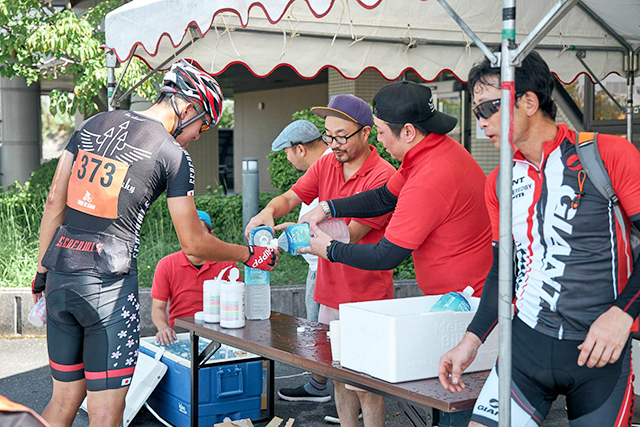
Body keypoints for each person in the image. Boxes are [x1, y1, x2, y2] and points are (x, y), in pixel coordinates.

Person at [31, 59, 277, 427]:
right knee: (104, 416)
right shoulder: (172, 155)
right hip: (108, 289)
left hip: (61, 276)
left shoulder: (92, 124)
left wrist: (41, 274)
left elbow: (55, 201)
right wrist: (249, 255)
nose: (198, 135)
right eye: (203, 125)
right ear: (188, 106)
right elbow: (193, 244)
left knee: (63, 401)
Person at [438, 51, 640, 426]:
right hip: (526, 347)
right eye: (476, 110)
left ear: (528, 101)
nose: (480, 121)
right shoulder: (499, 181)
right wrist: (472, 340)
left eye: (489, 108)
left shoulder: (607, 154)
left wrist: (621, 315)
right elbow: (504, 269)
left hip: (599, 352)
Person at [245, 94, 396, 427]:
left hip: (366, 296)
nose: (333, 144)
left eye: (341, 136)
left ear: (366, 134)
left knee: (367, 386)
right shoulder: (327, 163)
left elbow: (350, 234)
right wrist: (268, 212)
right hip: (329, 291)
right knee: (338, 375)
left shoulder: (383, 177)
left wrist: (295, 237)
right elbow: (292, 195)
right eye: (329, 135)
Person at [300, 81, 492, 300]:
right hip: (460, 293)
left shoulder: (430, 178)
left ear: (408, 131)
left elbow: (385, 255)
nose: (379, 140)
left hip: (467, 299)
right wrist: (328, 208)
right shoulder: (434, 150)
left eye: (381, 132)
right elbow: (383, 197)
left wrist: (330, 249)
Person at [151, 210, 237, 346]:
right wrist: (163, 328)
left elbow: (238, 304)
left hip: (220, 330)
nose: (193, 237)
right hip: (180, 332)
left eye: (200, 231)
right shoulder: (166, 264)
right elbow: (158, 308)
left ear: (211, 236)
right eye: (188, 231)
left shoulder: (227, 263)